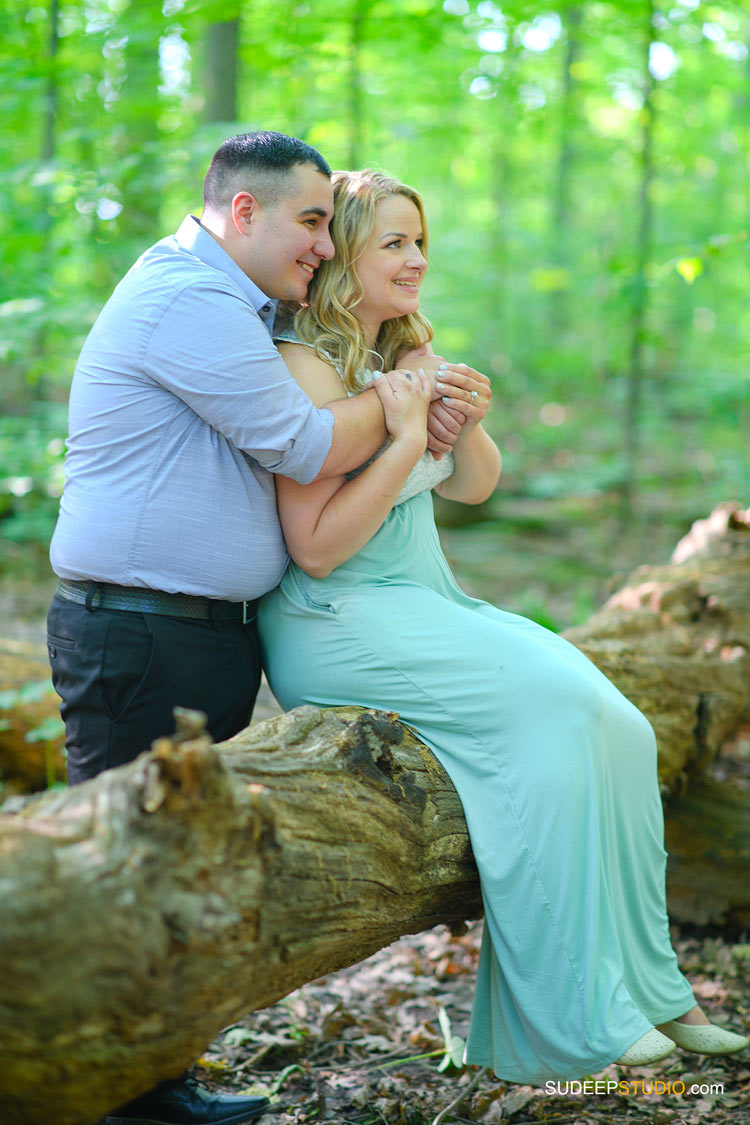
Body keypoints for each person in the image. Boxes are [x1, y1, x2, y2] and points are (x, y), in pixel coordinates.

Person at [257, 169, 749, 1084]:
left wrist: (465, 422)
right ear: (344, 257)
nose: (417, 258)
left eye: (420, 240)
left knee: (622, 726)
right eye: (394, 243)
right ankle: (577, 1009)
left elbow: (477, 484)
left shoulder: (406, 347)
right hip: (338, 616)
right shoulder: (305, 365)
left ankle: (656, 987)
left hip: (425, 601)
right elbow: (315, 548)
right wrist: (407, 435)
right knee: (558, 717)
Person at [46, 134, 456, 1125]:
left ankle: (152, 1079)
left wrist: (403, 377)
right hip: (137, 630)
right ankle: (101, 1091)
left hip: (201, 634)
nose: (323, 243)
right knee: (126, 866)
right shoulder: (187, 298)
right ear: (242, 212)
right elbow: (303, 442)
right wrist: (399, 398)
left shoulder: (241, 303)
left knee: (176, 860)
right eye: (310, 221)